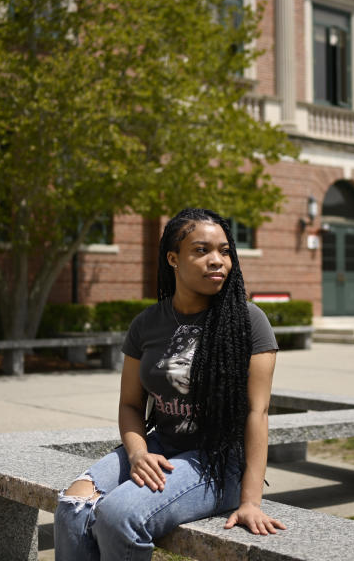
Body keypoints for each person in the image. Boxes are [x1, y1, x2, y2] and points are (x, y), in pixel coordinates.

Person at [54, 208, 286, 560]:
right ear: (173, 258)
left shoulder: (248, 321)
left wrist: (250, 501)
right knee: (73, 508)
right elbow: (131, 404)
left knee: (119, 515)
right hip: (161, 445)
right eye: (201, 250)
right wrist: (138, 453)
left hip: (217, 461)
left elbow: (258, 411)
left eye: (224, 251)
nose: (217, 260)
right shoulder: (147, 323)